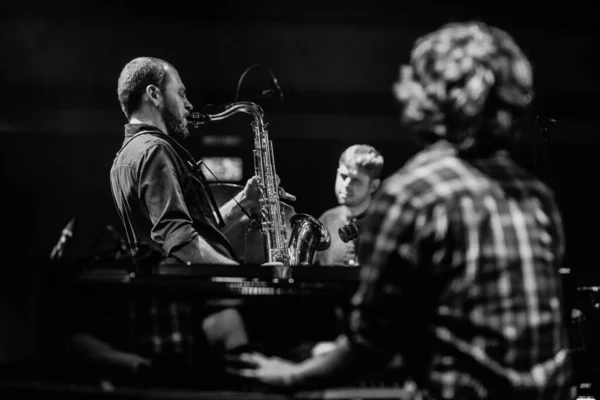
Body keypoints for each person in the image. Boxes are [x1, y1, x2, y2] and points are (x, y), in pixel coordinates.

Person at [229, 21, 574, 398]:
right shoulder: (537, 196)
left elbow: (372, 344)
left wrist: (290, 376)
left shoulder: (413, 194)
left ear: (424, 98)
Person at [110, 56, 294, 267]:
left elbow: (188, 229)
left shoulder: (126, 155)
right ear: (154, 94)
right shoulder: (154, 150)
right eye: (181, 93)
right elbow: (180, 241)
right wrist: (250, 279)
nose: (188, 105)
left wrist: (244, 199)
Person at [313, 145, 383, 266]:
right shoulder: (327, 219)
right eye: (343, 176)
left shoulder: (383, 222)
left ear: (374, 186)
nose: (346, 185)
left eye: (355, 180)